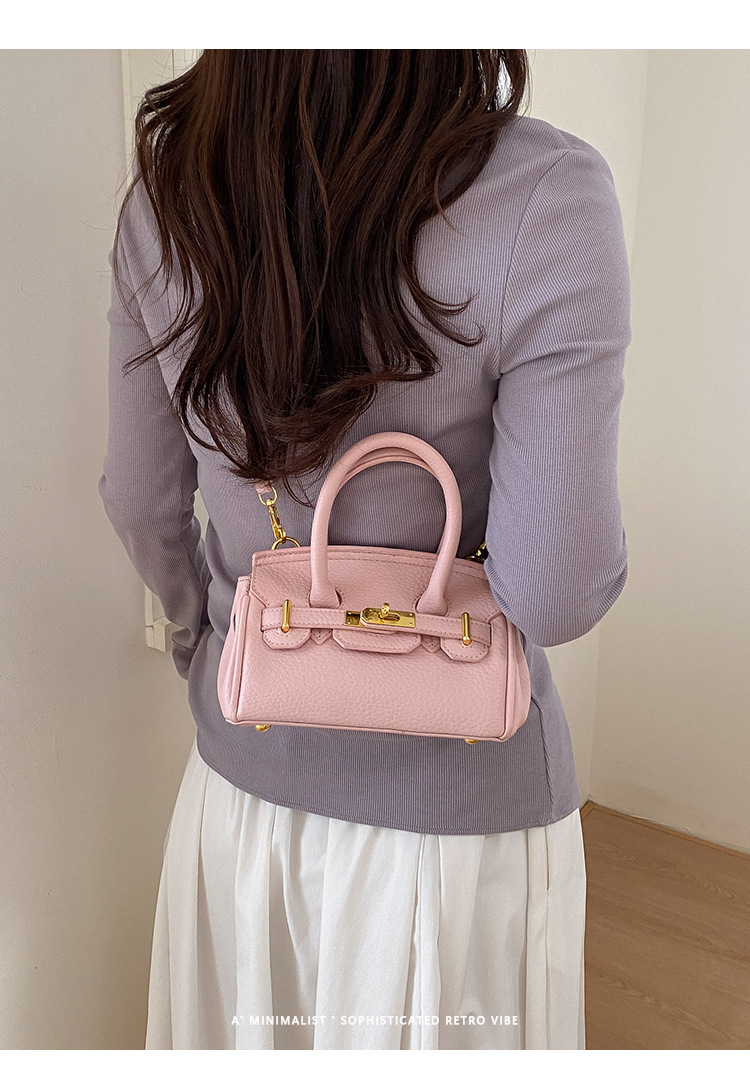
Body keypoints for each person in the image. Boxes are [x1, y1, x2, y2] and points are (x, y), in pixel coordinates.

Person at [98, 49, 630, 1050]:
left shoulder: (168, 198)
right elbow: (555, 590)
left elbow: (139, 500)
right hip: (460, 824)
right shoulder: (548, 195)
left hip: (241, 799)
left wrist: (211, 648)